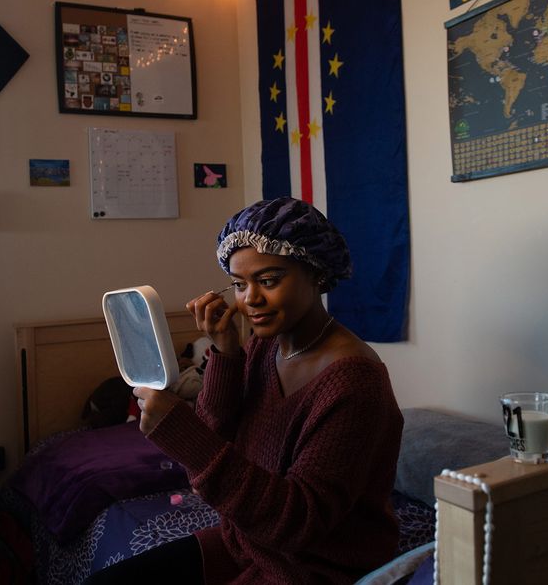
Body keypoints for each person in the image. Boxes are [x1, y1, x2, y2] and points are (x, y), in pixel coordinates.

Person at [85, 197, 403, 584]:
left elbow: (294, 522)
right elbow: (216, 440)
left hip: (310, 570)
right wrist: (225, 353)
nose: (250, 299)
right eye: (239, 284)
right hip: (247, 546)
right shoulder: (265, 347)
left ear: (317, 273)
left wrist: (179, 432)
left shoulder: (354, 381)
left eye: (268, 280)